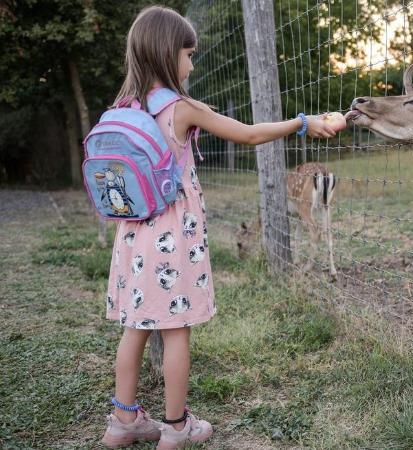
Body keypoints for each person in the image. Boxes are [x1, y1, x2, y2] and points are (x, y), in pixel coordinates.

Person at [100, 5, 337, 449]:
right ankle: (175, 427)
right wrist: (304, 122)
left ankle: (122, 421)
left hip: (132, 237)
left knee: (134, 328)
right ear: (170, 55)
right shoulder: (181, 108)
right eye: (189, 55)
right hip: (172, 241)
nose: (192, 64)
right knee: (176, 330)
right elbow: (247, 133)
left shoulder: (125, 106)